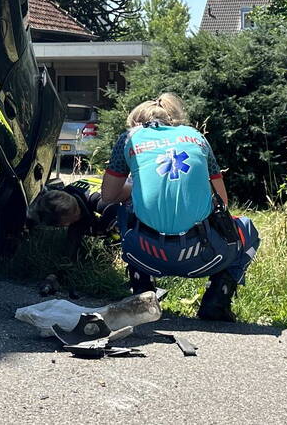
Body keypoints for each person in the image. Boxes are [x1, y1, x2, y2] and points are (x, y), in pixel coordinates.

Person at [98, 93, 260, 322]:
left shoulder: (130, 138)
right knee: (247, 228)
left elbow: (108, 196)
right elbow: (222, 202)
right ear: (173, 120)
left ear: (136, 123)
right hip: (206, 255)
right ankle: (218, 299)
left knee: (124, 210)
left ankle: (142, 294)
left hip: (144, 253)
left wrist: (137, 189)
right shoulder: (197, 138)